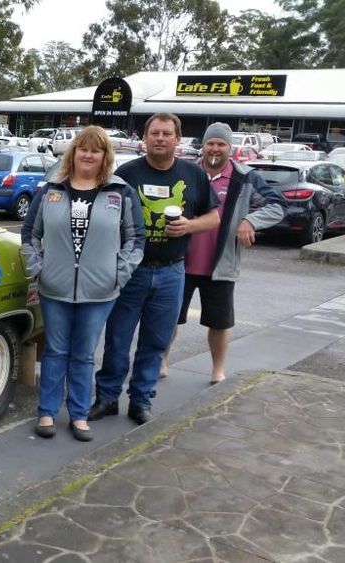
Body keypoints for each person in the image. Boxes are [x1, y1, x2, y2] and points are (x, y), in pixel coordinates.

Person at [90, 112, 220, 425]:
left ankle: (141, 401)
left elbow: (214, 216)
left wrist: (189, 226)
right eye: (154, 133)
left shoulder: (193, 174)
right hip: (130, 271)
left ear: (178, 139)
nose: (160, 138)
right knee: (118, 338)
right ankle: (107, 397)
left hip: (171, 271)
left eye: (166, 133)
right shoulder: (127, 173)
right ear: (145, 138)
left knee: (156, 340)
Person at [21, 126, 145, 441]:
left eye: (96, 150)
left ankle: (78, 415)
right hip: (54, 288)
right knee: (55, 351)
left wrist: (118, 274)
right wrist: (38, 269)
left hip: (100, 292)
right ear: (73, 152)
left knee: (84, 354)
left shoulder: (120, 192)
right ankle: (47, 412)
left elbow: (135, 239)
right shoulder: (51, 189)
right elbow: (30, 233)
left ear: (105, 156)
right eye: (83, 149)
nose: (88, 155)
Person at [160, 123, 285, 384]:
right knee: (169, 318)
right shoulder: (187, 172)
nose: (215, 149)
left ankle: (217, 369)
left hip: (221, 264)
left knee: (219, 323)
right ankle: (162, 360)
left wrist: (250, 221)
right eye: (210, 143)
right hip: (179, 261)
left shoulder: (245, 177)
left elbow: (278, 205)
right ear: (203, 146)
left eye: (221, 144)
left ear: (230, 148)